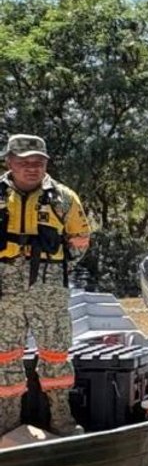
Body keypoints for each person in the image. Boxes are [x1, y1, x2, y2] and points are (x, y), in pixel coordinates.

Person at [0, 134, 92, 435]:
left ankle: (62, 421)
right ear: (9, 162)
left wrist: (55, 270)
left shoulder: (63, 198)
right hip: (5, 293)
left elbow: (80, 240)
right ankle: (7, 425)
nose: (32, 168)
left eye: (38, 162)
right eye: (24, 162)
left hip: (49, 292)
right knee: (4, 358)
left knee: (56, 356)